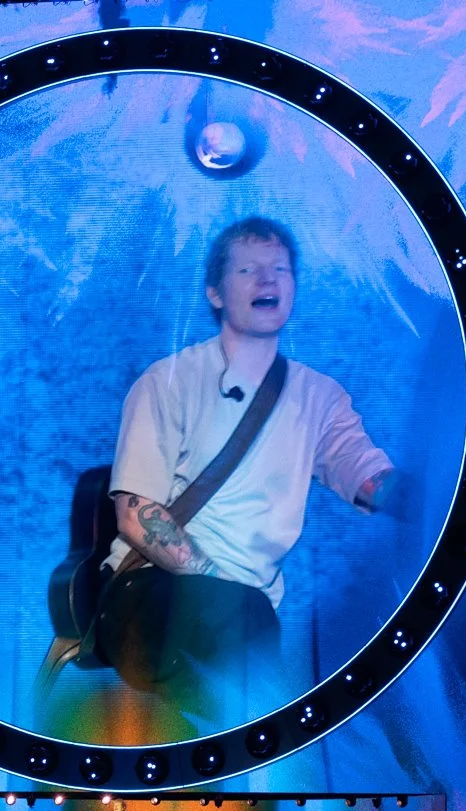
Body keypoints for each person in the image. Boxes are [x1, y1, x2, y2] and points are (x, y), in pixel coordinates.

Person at [95, 215, 403, 693]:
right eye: (248, 270)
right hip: (150, 593)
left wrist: (425, 494)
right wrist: (217, 580)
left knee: (251, 638)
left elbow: (362, 470)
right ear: (214, 292)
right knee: (244, 639)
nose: (267, 280)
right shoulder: (167, 382)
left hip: (247, 613)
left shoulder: (320, 396)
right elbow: (137, 514)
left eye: (280, 270)